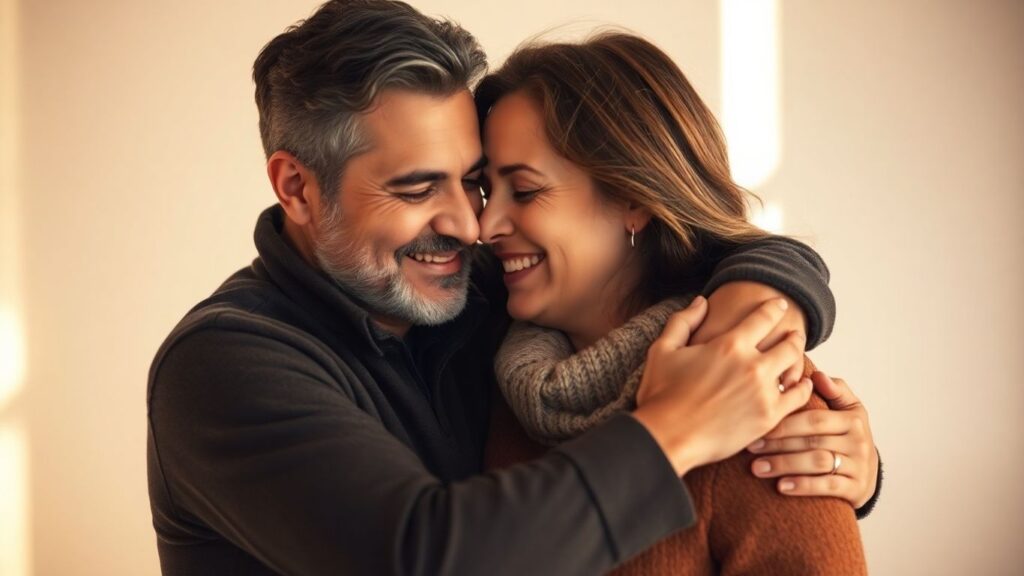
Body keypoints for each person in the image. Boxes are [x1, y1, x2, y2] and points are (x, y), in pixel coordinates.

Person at [146, 2, 871, 574]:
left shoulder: (486, 305)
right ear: (297, 187)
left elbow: (697, 245)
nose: (470, 225)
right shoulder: (224, 367)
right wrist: (677, 428)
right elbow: (426, 558)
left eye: (475, 182)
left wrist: (768, 306)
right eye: (418, 187)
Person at [477, 33, 872, 574]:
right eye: (484, 193)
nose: (484, 226)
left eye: (523, 191)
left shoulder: (760, 399)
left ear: (634, 199)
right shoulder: (483, 376)